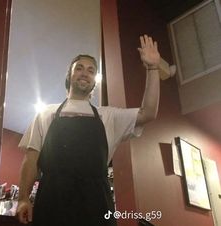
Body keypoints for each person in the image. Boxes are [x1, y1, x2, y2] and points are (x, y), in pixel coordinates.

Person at [16, 34, 160, 226]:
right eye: (79, 68)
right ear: (70, 75)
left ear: (94, 81)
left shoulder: (108, 116)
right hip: (51, 204)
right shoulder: (46, 114)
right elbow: (31, 159)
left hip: (97, 207)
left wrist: (152, 68)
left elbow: (148, 113)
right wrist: (23, 198)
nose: (85, 73)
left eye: (91, 70)